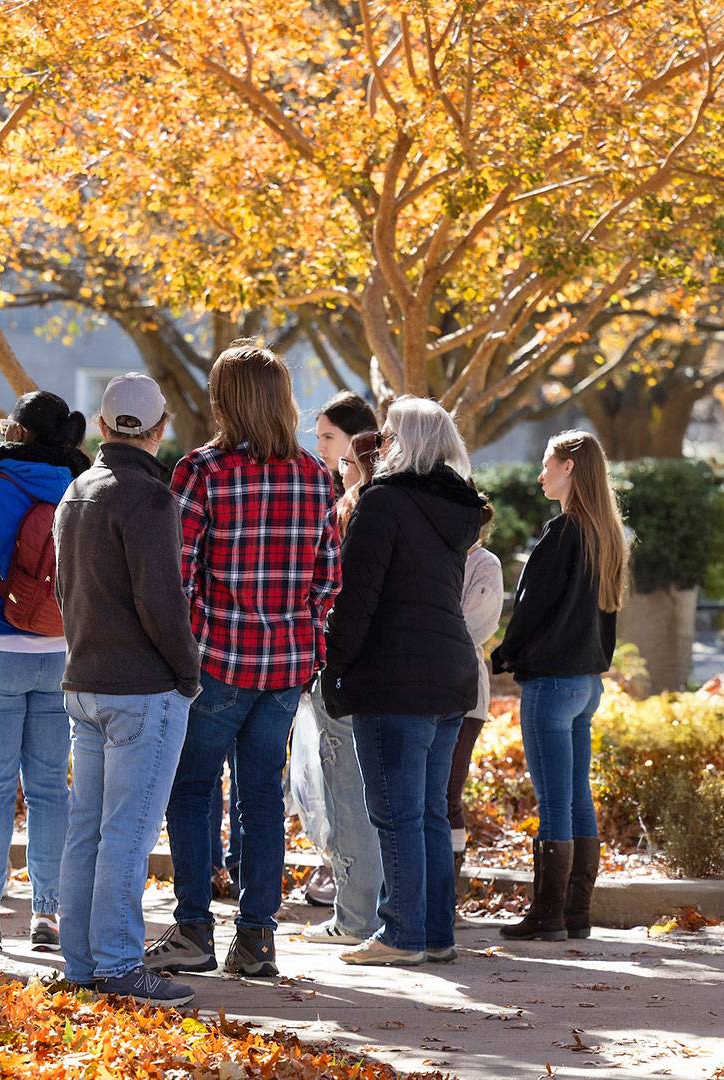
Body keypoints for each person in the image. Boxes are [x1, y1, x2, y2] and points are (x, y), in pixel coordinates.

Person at [146, 341, 341, 979]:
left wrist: (193, 636)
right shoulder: (315, 474)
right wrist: (303, 633)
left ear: (225, 399)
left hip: (219, 660)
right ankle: (257, 938)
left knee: (191, 788)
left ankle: (194, 929)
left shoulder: (204, 471)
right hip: (287, 666)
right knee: (261, 797)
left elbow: (177, 572)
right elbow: (328, 577)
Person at [319, 397, 486, 965]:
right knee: (431, 813)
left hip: (396, 676)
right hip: (450, 673)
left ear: (405, 443)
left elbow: (356, 600)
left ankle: (401, 934)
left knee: (395, 811)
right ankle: (435, 932)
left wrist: (334, 667)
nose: (380, 444)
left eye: (387, 436)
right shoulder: (456, 511)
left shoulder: (382, 504)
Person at [54, 373, 203, 1006]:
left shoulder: (77, 491)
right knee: (127, 833)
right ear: (162, 426)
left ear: (101, 426)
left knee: (87, 828)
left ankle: (83, 962)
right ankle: (118, 964)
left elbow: (66, 591)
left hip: (85, 678)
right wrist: (188, 671)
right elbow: (161, 600)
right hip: (142, 687)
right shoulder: (149, 497)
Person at [0, 391, 91, 952]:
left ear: (14, 433)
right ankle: (48, 915)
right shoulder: (82, 491)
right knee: (49, 790)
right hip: (60, 654)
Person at [491, 430, 624, 943]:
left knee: (553, 802)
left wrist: (502, 656)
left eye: (547, 464)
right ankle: (576, 914)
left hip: (551, 684)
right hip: (587, 683)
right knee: (577, 797)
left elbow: (530, 611)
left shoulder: (562, 533)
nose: (539, 474)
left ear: (569, 467)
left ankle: (548, 915)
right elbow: (607, 617)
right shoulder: (605, 534)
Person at [299, 428, 385, 947]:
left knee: (348, 796)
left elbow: (337, 594)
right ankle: (385, 911)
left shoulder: (358, 515)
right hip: (395, 676)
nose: (339, 471)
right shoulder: (417, 513)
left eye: (348, 462)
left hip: (346, 671)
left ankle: (354, 913)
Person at [450, 508, 505, 889]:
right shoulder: (438, 557)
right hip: (428, 689)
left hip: (466, 693)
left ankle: (449, 882)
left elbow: (472, 627)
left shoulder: (485, 565)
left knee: (448, 793)